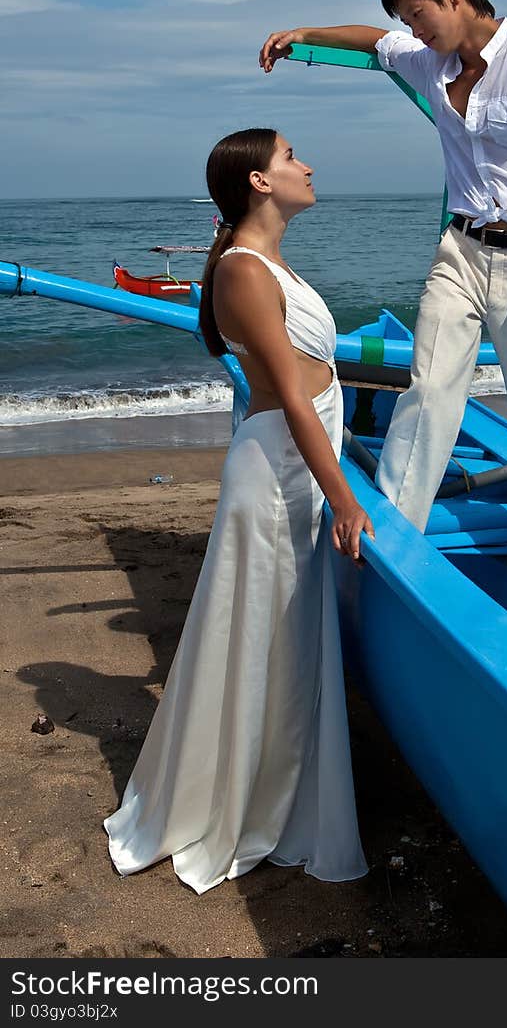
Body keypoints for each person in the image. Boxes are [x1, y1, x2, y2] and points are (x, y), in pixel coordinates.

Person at [259, 0, 507, 609]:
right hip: (460, 251)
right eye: (408, 21)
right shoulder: (429, 60)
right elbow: (372, 41)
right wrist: (302, 33)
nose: (415, 31)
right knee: (428, 390)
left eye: (419, 14)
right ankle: (395, 534)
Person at [104, 127, 371, 894]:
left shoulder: (265, 264)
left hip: (295, 469)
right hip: (279, 472)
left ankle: (273, 792)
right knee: (260, 638)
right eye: (292, 157)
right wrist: (344, 496)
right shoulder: (244, 273)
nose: (308, 165)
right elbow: (292, 396)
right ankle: (239, 802)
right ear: (258, 181)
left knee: (284, 644)